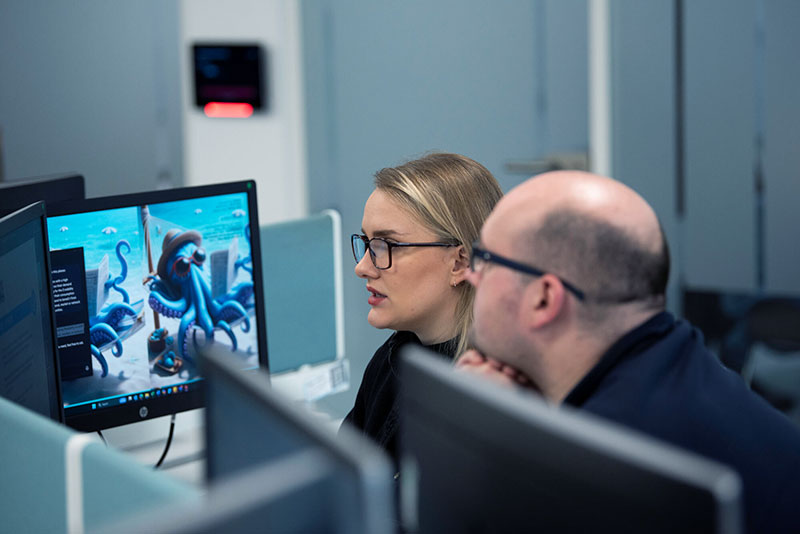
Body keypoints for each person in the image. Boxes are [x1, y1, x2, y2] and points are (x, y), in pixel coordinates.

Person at [458, 170, 800, 534]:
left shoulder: (599, 476)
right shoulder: (676, 361)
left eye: (485, 259)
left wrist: (476, 434)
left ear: (543, 299)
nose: (470, 275)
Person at [342, 152, 503, 467]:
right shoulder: (392, 360)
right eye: (366, 242)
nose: (363, 267)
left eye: (387, 246)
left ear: (460, 263)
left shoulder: (491, 401)